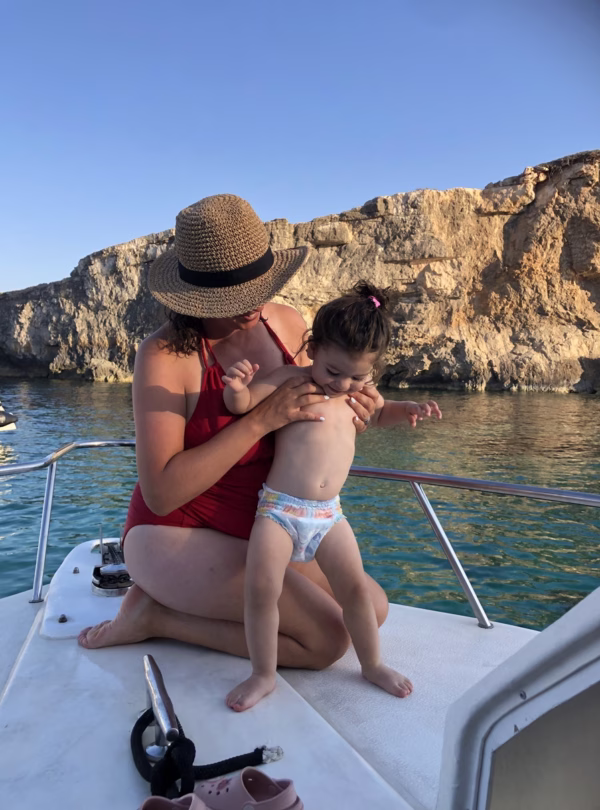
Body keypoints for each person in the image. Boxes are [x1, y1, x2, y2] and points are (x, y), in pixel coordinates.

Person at [78, 194, 385, 671]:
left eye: (259, 286)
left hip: (265, 523)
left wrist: (355, 412)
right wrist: (260, 420)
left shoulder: (286, 323)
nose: (253, 304)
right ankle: (155, 615)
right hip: (175, 531)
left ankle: (175, 609)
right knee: (326, 641)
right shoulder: (164, 358)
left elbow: (309, 411)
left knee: (373, 609)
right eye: (234, 297)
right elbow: (161, 493)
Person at [221, 282, 442, 711]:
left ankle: (372, 664)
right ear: (314, 349)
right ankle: (263, 673)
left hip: (328, 516)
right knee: (261, 588)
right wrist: (237, 388)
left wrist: (408, 410)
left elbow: (380, 415)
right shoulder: (293, 380)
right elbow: (246, 404)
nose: (343, 384)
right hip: (280, 510)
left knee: (356, 590)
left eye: (358, 375)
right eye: (333, 371)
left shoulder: (357, 394)